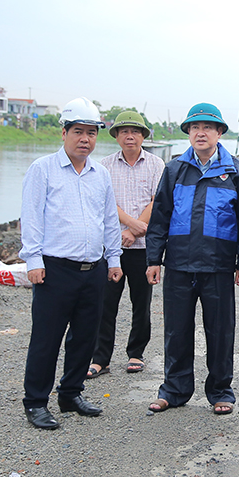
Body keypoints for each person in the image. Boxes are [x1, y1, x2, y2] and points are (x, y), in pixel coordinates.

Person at [19, 97, 123, 430]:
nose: (85, 139)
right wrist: (33, 259)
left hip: (93, 270)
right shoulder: (42, 170)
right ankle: (36, 402)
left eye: (91, 133)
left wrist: (114, 258)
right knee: (47, 338)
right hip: (54, 270)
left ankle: (71, 393)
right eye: (78, 131)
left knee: (85, 337)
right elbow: (32, 217)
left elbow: (109, 220)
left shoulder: (100, 174)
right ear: (63, 132)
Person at [144, 103, 239, 416]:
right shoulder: (175, 170)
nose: (200, 133)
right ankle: (174, 390)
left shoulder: (235, 172)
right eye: (194, 127)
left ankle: (221, 391)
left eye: (207, 127)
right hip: (178, 264)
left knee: (220, 331)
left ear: (220, 133)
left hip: (218, 266)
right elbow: (160, 216)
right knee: (176, 330)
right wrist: (154, 259)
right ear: (188, 133)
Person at [85, 111, 165, 380]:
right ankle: (100, 358)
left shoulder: (156, 165)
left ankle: (136, 353)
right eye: (123, 132)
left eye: (135, 132)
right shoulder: (104, 166)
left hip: (144, 249)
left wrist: (134, 231)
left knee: (141, 304)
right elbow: (105, 203)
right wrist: (132, 226)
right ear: (117, 137)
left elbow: (157, 202)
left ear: (143, 136)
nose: (129, 136)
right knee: (105, 304)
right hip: (111, 248)